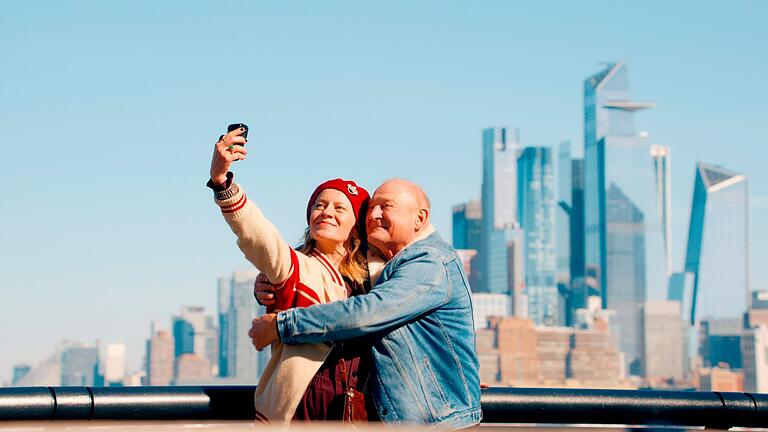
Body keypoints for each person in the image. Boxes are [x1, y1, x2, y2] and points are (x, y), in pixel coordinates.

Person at [249, 179, 482, 429]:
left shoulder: (430, 261)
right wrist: (274, 279)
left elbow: (367, 313)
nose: (374, 214)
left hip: (439, 423)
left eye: (386, 206)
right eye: (371, 209)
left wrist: (281, 325)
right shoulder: (389, 267)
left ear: (420, 218)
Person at [207, 127, 372, 423]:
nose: (326, 212)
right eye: (319, 205)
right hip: (300, 409)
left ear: (356, 227)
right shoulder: (295, 267)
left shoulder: (377, 280)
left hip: (358, 411)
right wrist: (222, 182)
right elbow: (258, 235)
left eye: (339, 208)